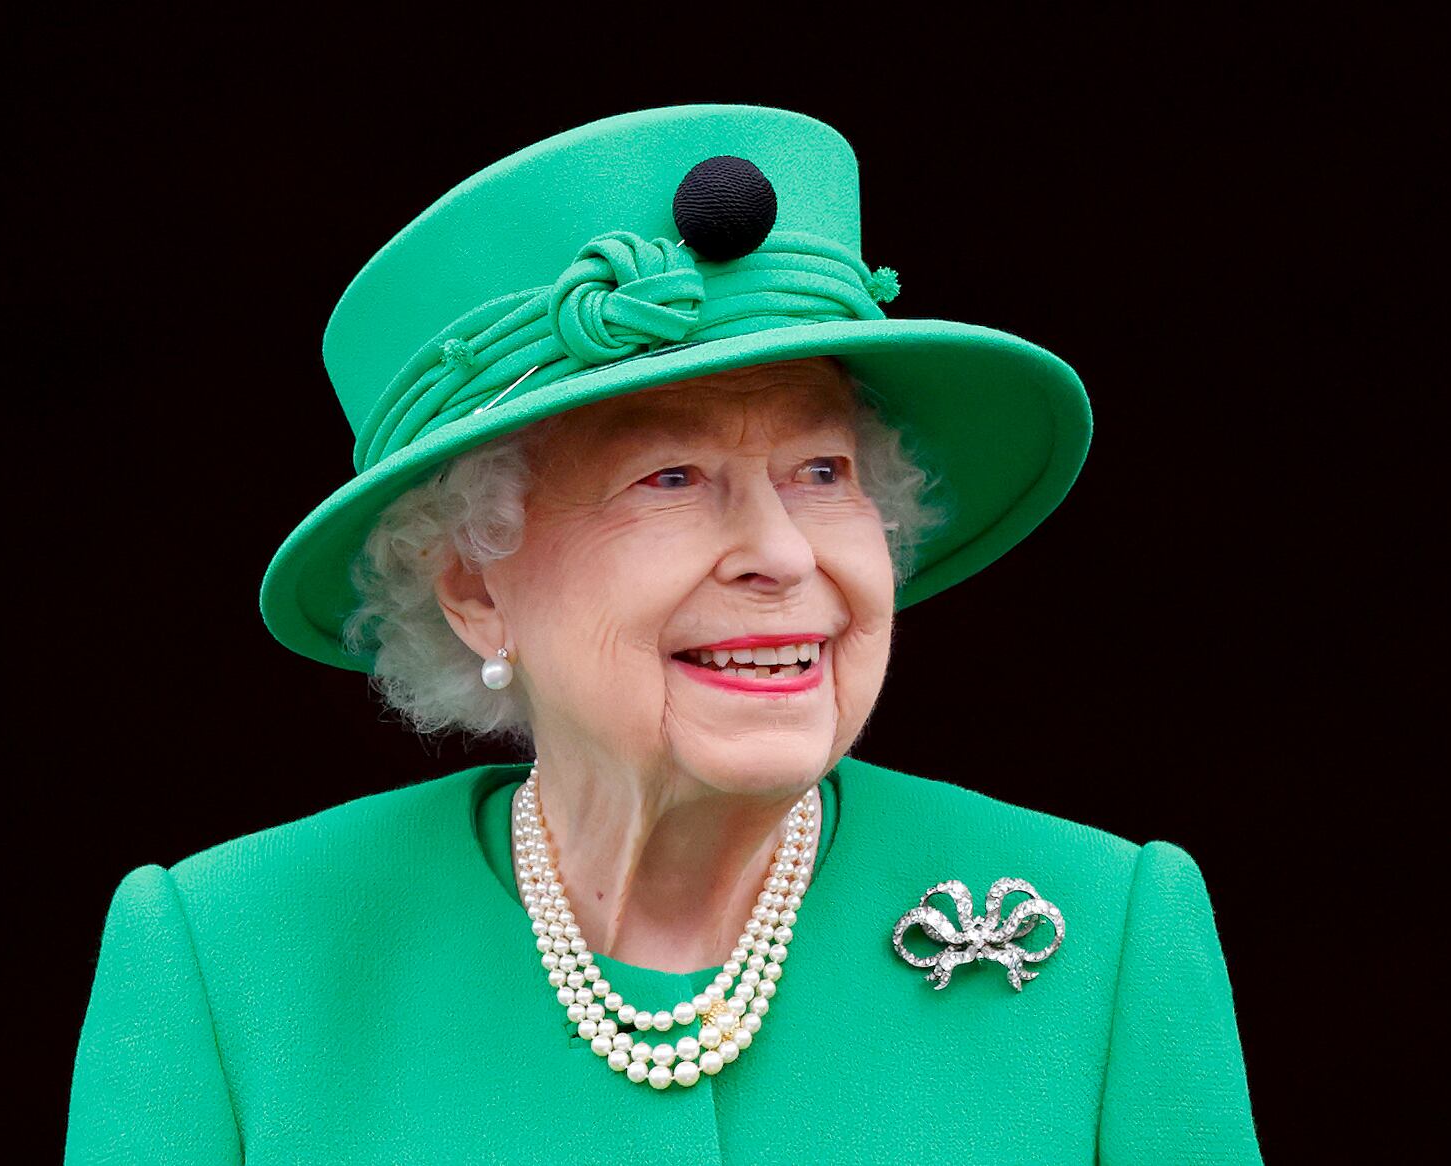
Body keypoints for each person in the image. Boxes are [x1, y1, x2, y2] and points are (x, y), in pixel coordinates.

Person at [65, 103, 1263, 1164]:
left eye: (821, 468)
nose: (783, 553)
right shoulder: (226, 967)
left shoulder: (1101, 934)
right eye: (671, 476)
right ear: (474, 588)